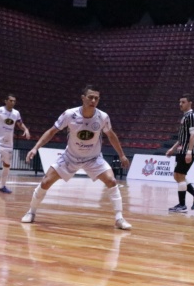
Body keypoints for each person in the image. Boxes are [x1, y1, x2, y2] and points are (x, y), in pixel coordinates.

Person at [22, 85, 132, 230]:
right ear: (83, 98)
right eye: (90, 97)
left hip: (93, 158)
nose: (93, 100)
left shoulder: (103, 117)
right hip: (70, 157)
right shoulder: (69, 114)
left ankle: (119, 218)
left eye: (96, 98)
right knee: (45, 182)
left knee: (111, 180)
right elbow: (52, 131)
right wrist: (35, 148)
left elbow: (111, 136)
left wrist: (122, 155)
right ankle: (31, 212)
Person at [165, 94, 194, 212]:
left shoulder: (192, 116)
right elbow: (182, 137)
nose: (180, 104)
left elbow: (193, 135)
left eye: (183, 102)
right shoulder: (185, 117)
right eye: (180, 102)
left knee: (179, 175)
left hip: (187, 151)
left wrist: (189, 152)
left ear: (190, 103)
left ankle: (183, 204)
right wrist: (173, 148)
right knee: (177, 176)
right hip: (180, 150)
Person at [0, 94, 30, 193]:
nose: (12, 102)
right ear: (5, 101)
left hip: (9, 144)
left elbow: (19, 123)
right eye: (11, 100)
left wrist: (26, 129)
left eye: (14, 101)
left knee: (7, 165)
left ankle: (2, 186)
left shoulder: (16, 113)